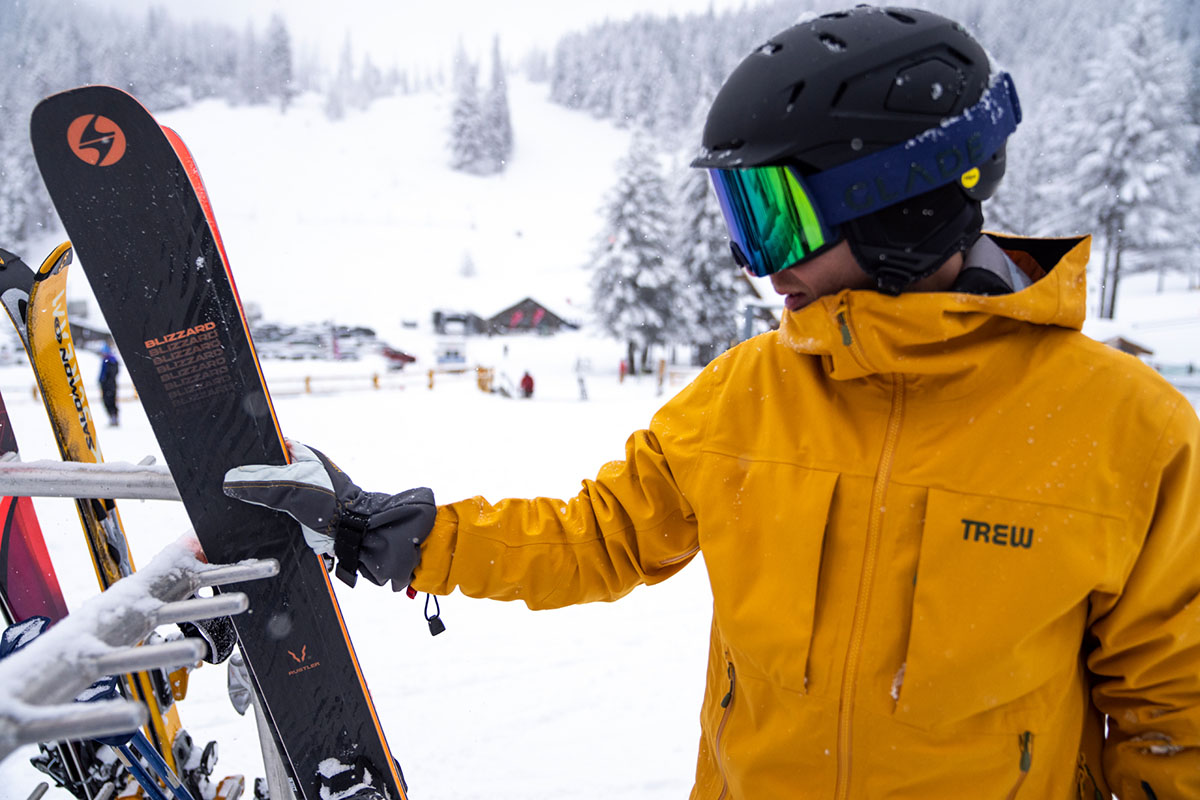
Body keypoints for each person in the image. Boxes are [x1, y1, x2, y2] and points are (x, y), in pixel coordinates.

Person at [223, 8, 1200, 798]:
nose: (749, 261)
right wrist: (404, 532)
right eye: (740, 218)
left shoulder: (1129, 432)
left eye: (771, 218)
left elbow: (1173, 712)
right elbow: (595, 535)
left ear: (899, 204)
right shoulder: (748, 396)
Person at [98, 342, 120, 426]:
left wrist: (106, 381)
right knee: (108, 402)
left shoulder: (110, 361)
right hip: (107, 385)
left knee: (110, 402)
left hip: (109, 385)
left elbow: (111, 374)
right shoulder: (107, 361)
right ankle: (112, 418)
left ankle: (114, 419)